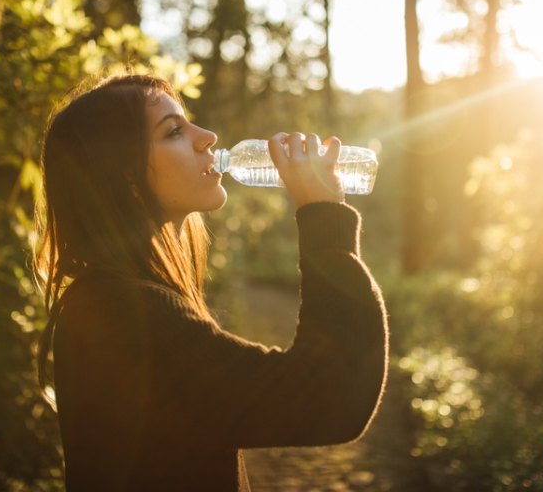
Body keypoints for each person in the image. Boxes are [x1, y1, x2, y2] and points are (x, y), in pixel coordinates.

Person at [35, 73, 388, 491]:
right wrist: (323, 219)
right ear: (125, 177)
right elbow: (330, 394)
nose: (208, 137)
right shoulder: (127, 315)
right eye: (174, 132)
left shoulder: (112, 301)